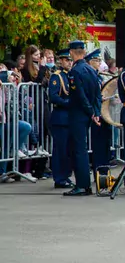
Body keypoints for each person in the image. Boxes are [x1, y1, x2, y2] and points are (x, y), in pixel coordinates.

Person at [64, 40, 102, 196]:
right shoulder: (90, 69)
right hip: (87, 114)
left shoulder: (75, 71)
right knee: (82, 149)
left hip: (78, 114)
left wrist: (90, 112)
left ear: (72, 52)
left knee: (78, 150)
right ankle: (84, 183)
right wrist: (96, 112)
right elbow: (98, 93)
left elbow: (80, 96)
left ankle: (82, 185)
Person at [48, 48, 73, 189]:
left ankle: (66, 175)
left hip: (69, 118)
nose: (69, 63)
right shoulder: (56, 77)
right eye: (67, 60)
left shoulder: (69, 76)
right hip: (60, 117)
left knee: (68, 149)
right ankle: (59, 178)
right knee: (60, 150)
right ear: (61, 61)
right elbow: (54, 96)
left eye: (70, 60)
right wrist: (69, 103)